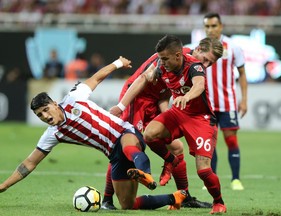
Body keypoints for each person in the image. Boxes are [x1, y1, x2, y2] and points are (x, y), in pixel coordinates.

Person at [0, 56, 188, 210]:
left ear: (55, 104)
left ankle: (144, 173)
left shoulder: (74, 98)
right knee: (127, 204)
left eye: (46, 110)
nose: (45, 116)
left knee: (128, 146)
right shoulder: (53, 134)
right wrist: (4, 185)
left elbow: (96, 78)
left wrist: (117, 64)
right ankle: (175, 198)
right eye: (40, 115)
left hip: (125, 131)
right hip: (114, 155)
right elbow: (29, 163)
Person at [109, 35, 226, 214]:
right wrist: (120, 106)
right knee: (130, 143)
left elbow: (185, 89)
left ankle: (186, 196)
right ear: (197, 50)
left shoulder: (191, 65)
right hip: (138, 100)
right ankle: (107, 198)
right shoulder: (170, 59)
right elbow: (142, 79)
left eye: (211, 63)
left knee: (180, 151)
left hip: (192, 116)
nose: (206, 65)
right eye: (206, 60)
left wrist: (171, 112)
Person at [203, 13, 248, 190]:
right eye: (207, 26)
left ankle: (235, 179)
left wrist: (244, 99)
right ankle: (210, 181)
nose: (210, 29)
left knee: (231, 141)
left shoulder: (233, 47)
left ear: (221, 26)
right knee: (210, 143)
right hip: (207, 104)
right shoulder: (199, 47)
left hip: (227, 102)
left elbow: (242, 74)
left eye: (214, 26)